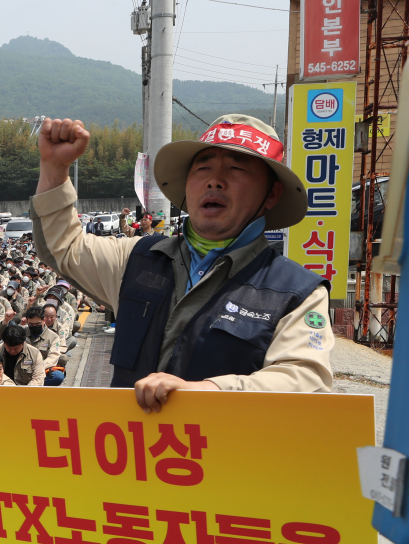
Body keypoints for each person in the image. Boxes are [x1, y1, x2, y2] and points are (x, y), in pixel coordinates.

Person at [32, 115, 332, 411]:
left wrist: (210, 390)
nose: (215, 180)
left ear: (272, 194)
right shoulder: (135, 258)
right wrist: (55, 170)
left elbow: (307, 380)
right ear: (187, 185)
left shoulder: (298, 294)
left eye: (237, 168)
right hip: (131, 455)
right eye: (203, 167)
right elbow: (64, 246)